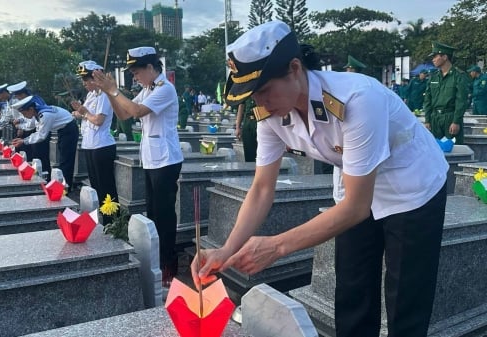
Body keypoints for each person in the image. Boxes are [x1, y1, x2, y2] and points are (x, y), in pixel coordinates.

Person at [191, 21, 448, 337]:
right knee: (352, 291)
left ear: (295, 68)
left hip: (411, 187)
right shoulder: (269, 114)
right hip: (356, 183)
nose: (260, 103)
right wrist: (227, 250)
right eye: (253, 97)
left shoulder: (357, 99)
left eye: (264, 91)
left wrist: (277, 246)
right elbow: (261, 188)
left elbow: (356, 207)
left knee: (406, 299)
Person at [92, 46, 184, 287]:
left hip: (166, 160)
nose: (135, 77)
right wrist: (109, 94)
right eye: (132, 74)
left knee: (164, 215)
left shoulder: (165, 89)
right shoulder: (148, 89)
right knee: (153, 212)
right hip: (152, 159)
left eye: (136, 72)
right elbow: (123, 114)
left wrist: (113, 89)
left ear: (151, 67)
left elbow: (136, 111)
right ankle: (156, 258)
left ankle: (168, 264)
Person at [70, 60, 118, 224]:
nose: (84, 84)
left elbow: (98, 120)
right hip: (90, 145)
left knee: (107, 189)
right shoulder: (92, 95)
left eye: (86, 79)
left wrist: (83, 112)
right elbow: (86, 115)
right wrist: (79, 112)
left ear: (96, 77)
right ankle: (104, 219)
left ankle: (113, 221)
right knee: (97, 186)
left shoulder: (105, 95)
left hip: (102, 145)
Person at [11, 95, 79, 190]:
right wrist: (22, 136)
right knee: (63, 159)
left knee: (66, 160)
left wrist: (24, 141)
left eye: (24, 113)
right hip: (62, 130)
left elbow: (41, 135)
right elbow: (31, 127)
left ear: (30, 109)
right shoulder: (37, 113)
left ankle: (64, 188)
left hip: (69, 130)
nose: (24, 116)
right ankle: (62, 185)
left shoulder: (45, 115)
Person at [423, 41, 470, 144]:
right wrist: (427, 120)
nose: (433, 59)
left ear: (445, 57)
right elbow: (428, 100)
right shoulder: (433, 76)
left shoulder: (459, 76)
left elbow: (461, 101)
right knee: (435, 151)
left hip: (450, 117)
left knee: (453, 150)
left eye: (435, 56)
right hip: (435, 118)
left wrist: (456, 121)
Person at [235, 97, 257, 162]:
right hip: (248, 121)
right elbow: (241, 106)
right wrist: (238, 127)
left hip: (260, 120)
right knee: (248, 152)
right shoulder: (245, 87)